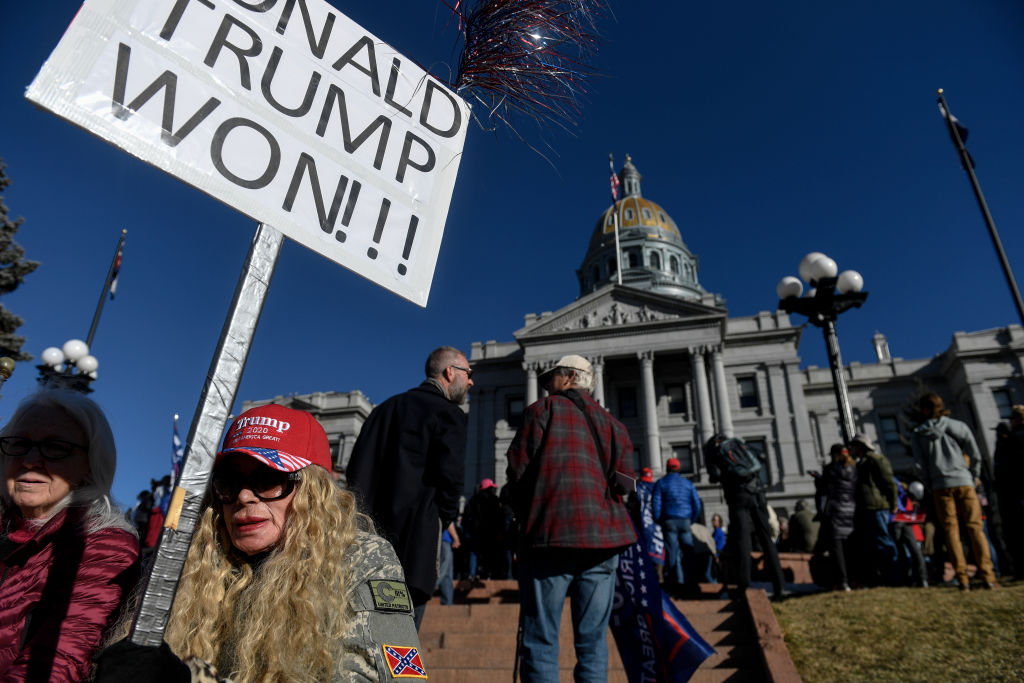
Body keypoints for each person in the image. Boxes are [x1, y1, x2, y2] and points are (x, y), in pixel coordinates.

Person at [97, 404, 424, 681]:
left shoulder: (361, 558)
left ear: (313, 493)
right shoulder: (193, 565)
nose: (242, 496)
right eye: (229, 483)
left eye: (268, 480)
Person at [506, 354, 636, 682]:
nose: (548, 386)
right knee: (592, 642)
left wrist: (522, 516)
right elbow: (625, 484)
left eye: (552, 379)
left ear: (568, 378)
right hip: (602, 539)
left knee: (540, 640)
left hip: (549, 536)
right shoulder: (614, 425)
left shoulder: (541, 411)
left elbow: (517, 473)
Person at [0, 388, 139, 681]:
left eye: (55, 447)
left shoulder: (104, 546)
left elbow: (59, 661)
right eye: (19, 443)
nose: (30, 459)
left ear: (90, 465)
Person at [346, 346, 470, 629]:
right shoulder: (449, 413)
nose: (471, 381)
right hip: (414, 548)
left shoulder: (383, 411)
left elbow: (355, 475)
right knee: (401, 640)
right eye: (468, 373)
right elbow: (451, 478)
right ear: (450, 372)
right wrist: (445, 516)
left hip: (366, 545)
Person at [911, 393, 997, 590]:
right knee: (975, 528)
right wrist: (973, 476)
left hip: (940, 486)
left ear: (925, 410)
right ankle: (988, 576)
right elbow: (975, 454)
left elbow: (919, 464)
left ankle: (963, 578)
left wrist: (931, 482)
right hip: (965, 482)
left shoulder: (919, 433)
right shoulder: (958, 427)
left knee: (951, 531)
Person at [705, 434, 787, 601]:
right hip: (758, 493)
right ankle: (780, 586)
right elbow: (761, 457)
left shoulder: (715, 452)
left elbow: (714, 476)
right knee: (767, 540)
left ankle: (745, 586)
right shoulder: (739, 444)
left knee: (743, 541)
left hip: (738, 497)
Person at [850, 433, 899, 586]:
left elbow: (889, 483)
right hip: (868, 507)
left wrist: (894, 503)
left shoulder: (876, 460)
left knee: (884, 541)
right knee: (875, 543)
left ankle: (894, 576)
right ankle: (883, 576)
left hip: (877, 506)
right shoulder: (861, 463)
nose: (852, 449)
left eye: (854, 446)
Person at [652, 457, 702, 594]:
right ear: (679, 468)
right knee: (688, 551)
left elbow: (656, 504)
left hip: (669, 520)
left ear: (667, 468)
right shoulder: (688, 483)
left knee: (672, 552)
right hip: (685, 520)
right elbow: (697, 504)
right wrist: (692, 519)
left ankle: (675, 584)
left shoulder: (661, 483)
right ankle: (692, 583)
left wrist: (658, 520)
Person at [813, 444, 857, 591]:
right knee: (849, 547)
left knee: (836, 549)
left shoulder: (830, 469)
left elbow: (824, 490)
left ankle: (842, 581)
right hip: (851, 510)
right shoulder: (854, 469)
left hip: (835, 511)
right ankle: (853, 579)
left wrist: (817, 479)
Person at [994, 406, 1024, 579]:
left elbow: (1004, 471)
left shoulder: (1011, 441)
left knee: (1018, 533)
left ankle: (1019, 569)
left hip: (1016, 493)